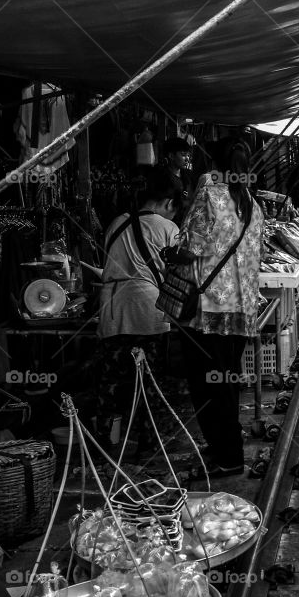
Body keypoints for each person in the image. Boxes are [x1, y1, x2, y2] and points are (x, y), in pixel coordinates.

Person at [176, 136, 263, 479]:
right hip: (241, 311)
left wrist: (173, 253)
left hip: (210, 309)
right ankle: (225, 450)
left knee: (208, 385)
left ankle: (228, 456)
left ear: (216, 166)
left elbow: (190, 245)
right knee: (226, 382)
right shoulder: (254, 205)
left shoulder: (211, 195)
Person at [96, 166, 182, 455]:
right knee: (150, 383)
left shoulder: (115, 223)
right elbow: (177, 274)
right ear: (169, 203)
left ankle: (107, 444)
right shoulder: (168, 228)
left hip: (112, 308)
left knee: (111, 383)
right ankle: (148, 446)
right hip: (149, 309)